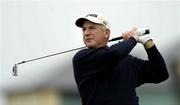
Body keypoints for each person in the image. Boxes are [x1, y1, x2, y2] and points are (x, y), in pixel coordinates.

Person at [72, 13, 169, 105]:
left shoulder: (128, 61)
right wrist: (133, 38)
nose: (86, 33)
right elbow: (114, 53)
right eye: (84, 29)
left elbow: (161, 74)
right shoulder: (82, 58)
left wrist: (148, 44)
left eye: (92, 28)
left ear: (106, 33)